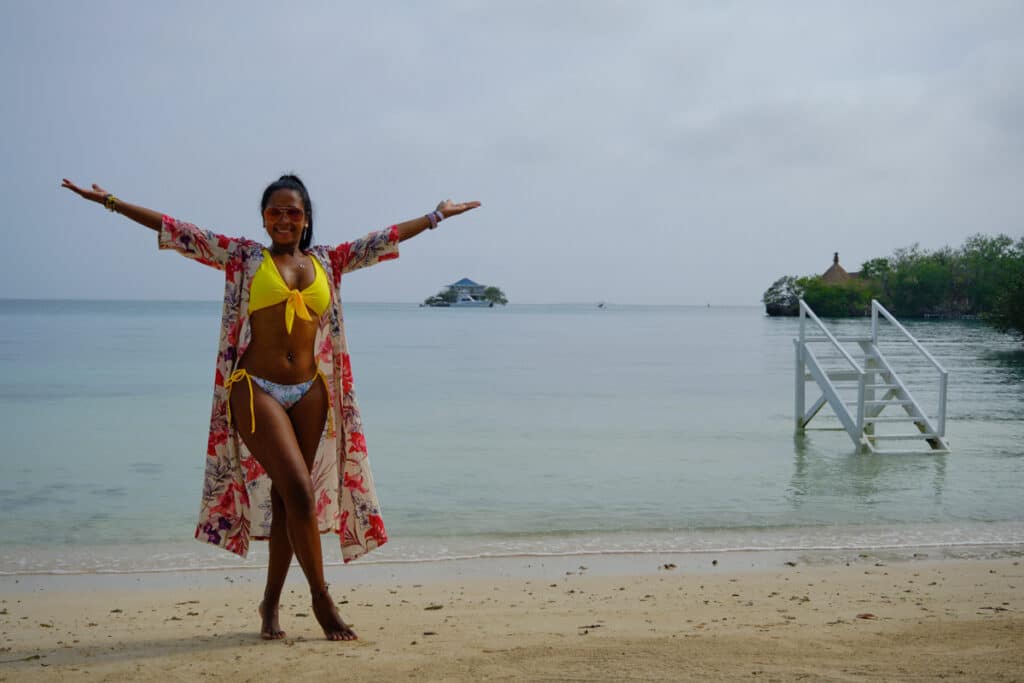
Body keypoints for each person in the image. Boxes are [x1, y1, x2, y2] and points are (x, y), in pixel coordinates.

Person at [61, 175, 480, 641]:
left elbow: (381, 240)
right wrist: (112, 203)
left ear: (306, 219)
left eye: (293, 212)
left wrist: (437, 215)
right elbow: (179, 230)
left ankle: (270, 605)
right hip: (254, 389)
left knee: (287, 501)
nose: (284, 219)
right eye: (275, 212)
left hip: (310, 391)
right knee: (300, 489)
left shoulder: (328, 260)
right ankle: (322, 599)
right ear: (263, 218)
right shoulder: (242, 258)